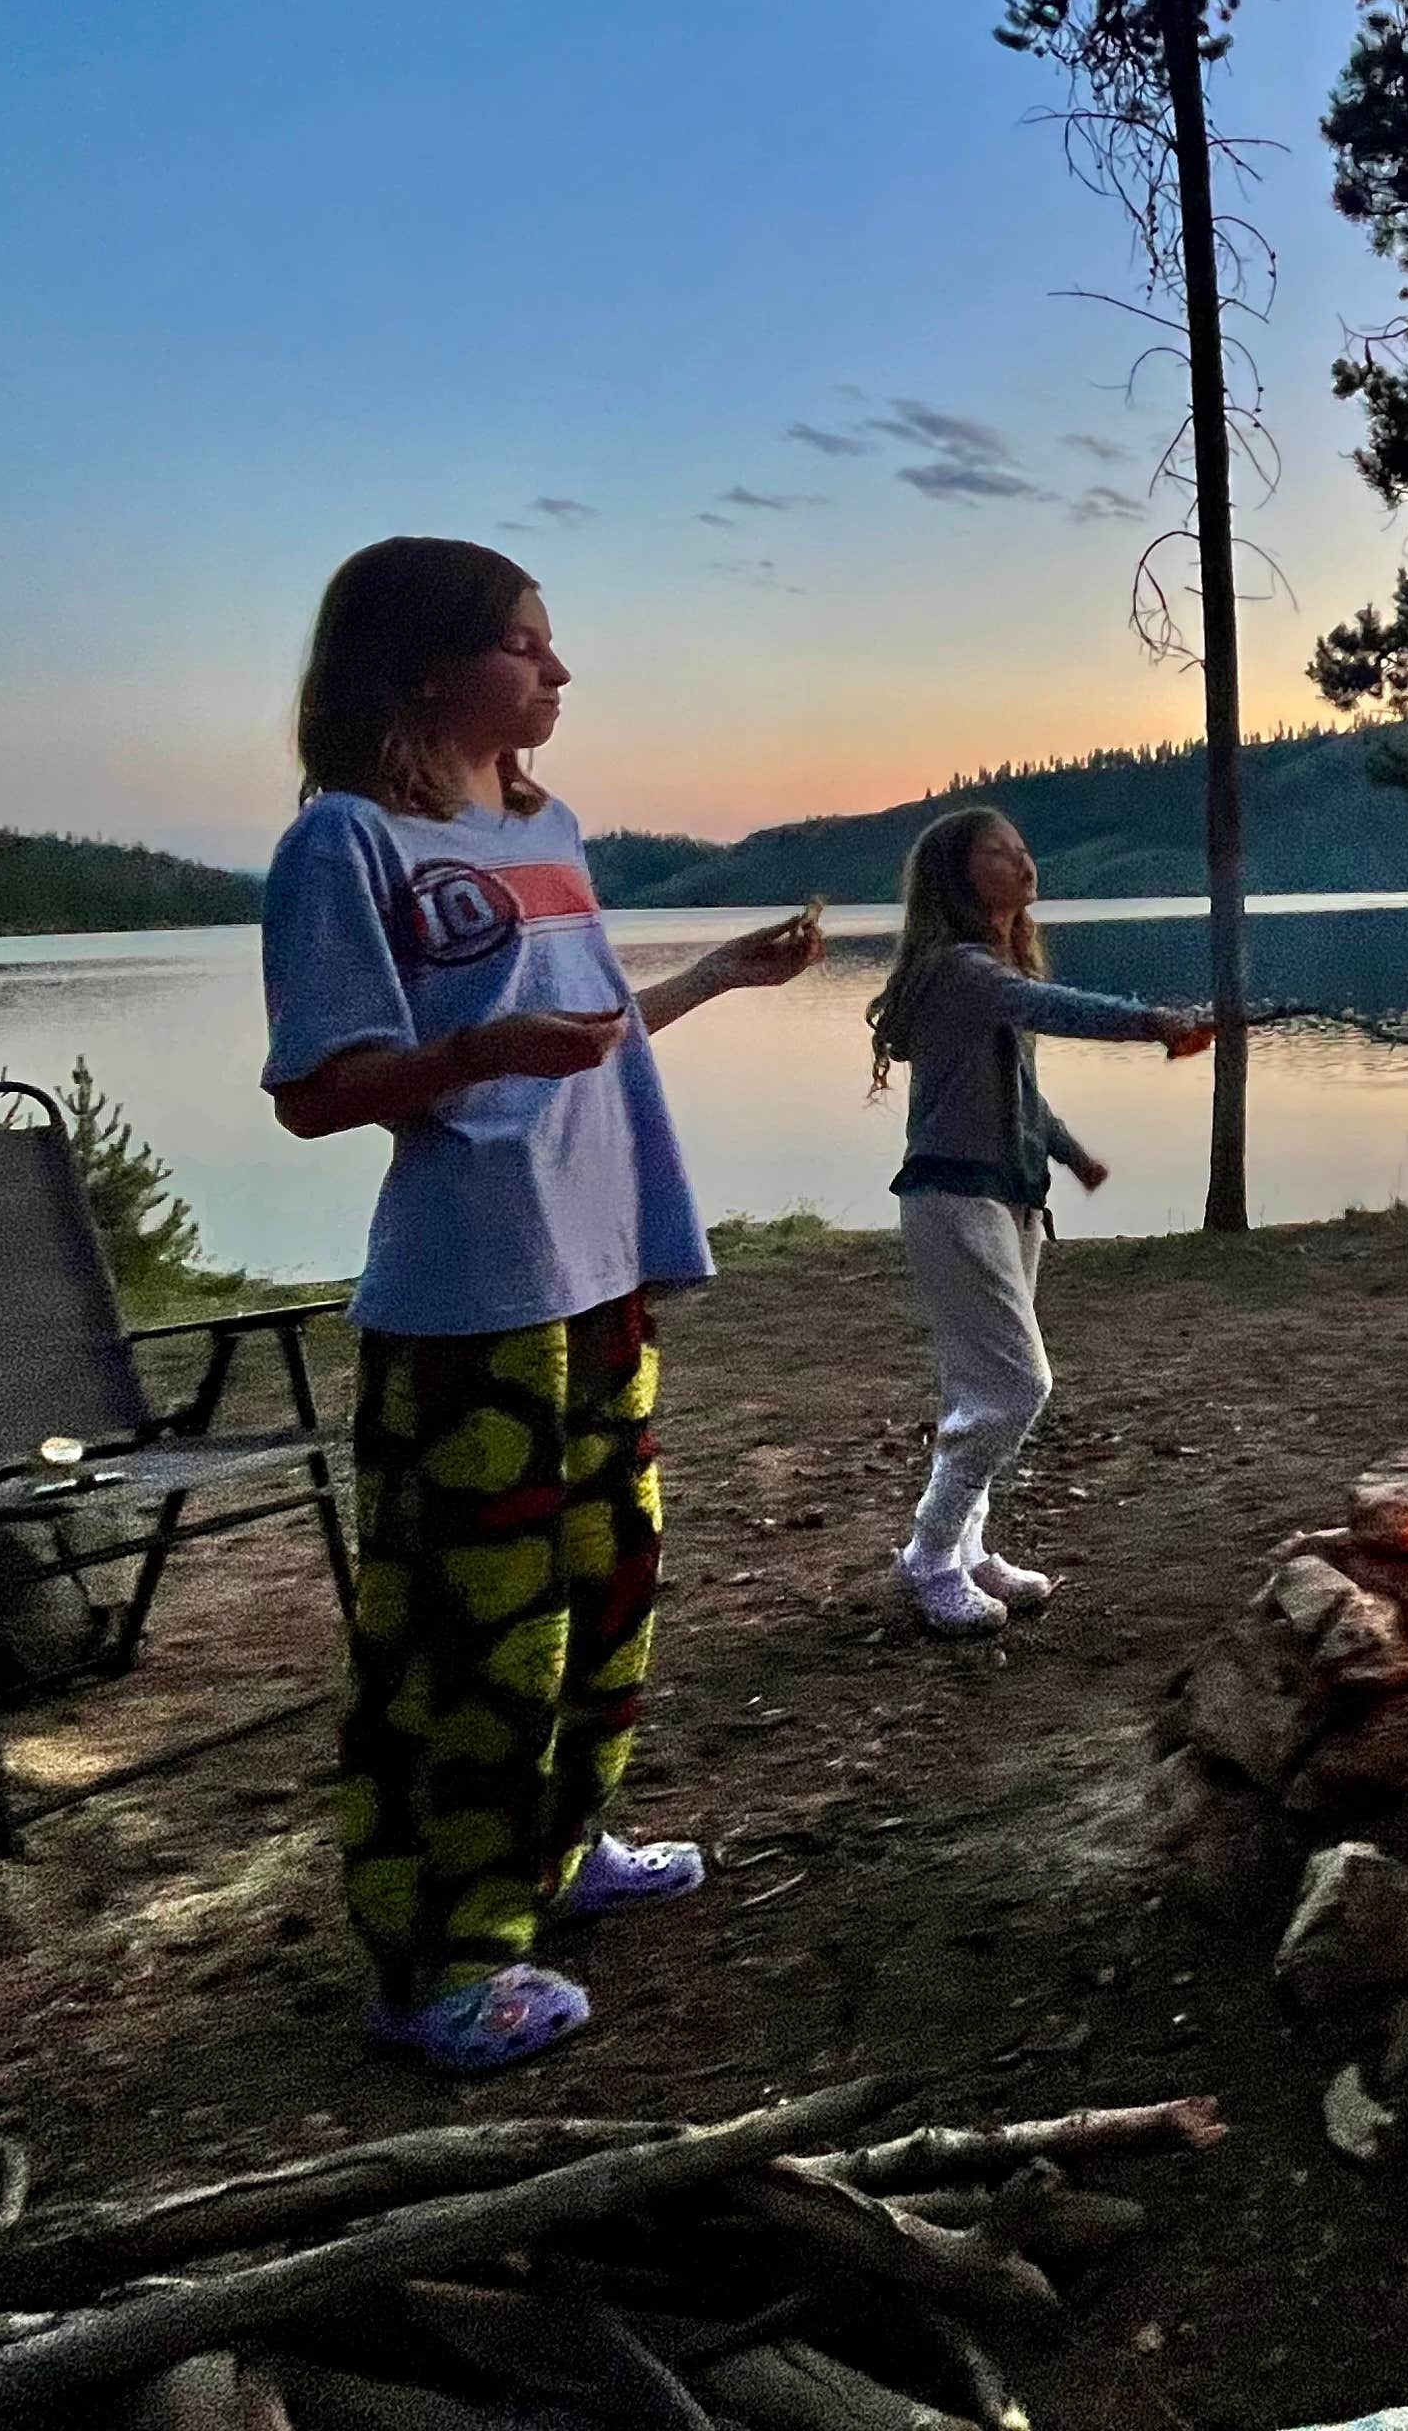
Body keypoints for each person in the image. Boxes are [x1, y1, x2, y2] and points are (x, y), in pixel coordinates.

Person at [259, 536, 821, 2074]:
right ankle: (436, 1965)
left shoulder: (548, 825)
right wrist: (475, 1062)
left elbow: (583, 1032)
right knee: (468, 1636)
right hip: (467, 1301)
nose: (556, 671)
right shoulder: (347, 846)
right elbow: (318, 1091)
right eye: (526, 645)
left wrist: (713, 978)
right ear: (430, 666)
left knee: (610, 1590)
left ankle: (559, 1858)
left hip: (601, 1276)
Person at [867, 805, 1211, 1637]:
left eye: (1027, 850)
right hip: (954, 1197)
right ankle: (929, 1555)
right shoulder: (960, 970)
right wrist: (1153, 1022)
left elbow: (1019, 1091)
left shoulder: (987, 973)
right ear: (957, 875)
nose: (1025, 863)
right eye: (1001, 853)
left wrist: (1069, 1152)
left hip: (1009, 1194)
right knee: (1016, 1385)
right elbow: (1056, 1007)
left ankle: (969, 1550)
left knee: (977, 1388)